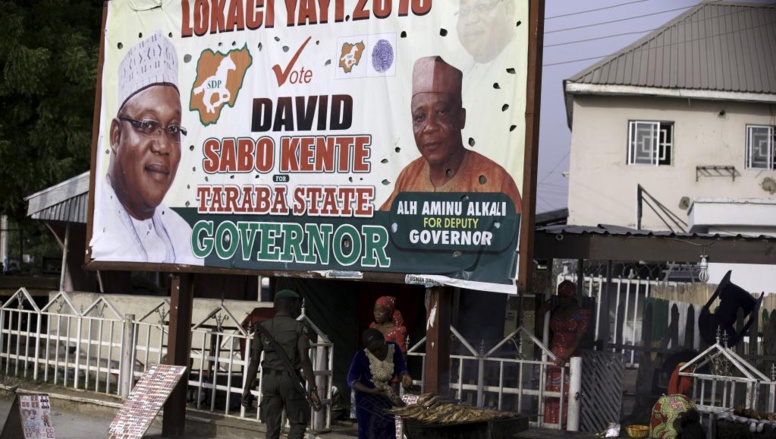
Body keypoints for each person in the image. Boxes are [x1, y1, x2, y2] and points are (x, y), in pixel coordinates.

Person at [90, 31, 201, 265]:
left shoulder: (183, 233)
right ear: (116, 136)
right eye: (148, 125)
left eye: (173, 129)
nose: (163, 145)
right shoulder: (96, 219)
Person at [379, 56, 522, 212]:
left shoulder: (495, 182)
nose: (430, 127)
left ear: (461, 118)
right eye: (420, 117)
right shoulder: (408, 178)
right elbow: (380, 229)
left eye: (441, 112)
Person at [241, 289, 322, 439]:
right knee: (297, 424)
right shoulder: (299, 328)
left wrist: (246, 388)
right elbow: (304, 359)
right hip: (291, 380)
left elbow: (254, 361)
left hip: (269, 380)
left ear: (276, 306)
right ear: (292, 306)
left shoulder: (262, 327)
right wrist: (313, 388)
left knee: (272, 426)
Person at [347, 328, 412, 439]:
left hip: (386, 398)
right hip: (366, 401)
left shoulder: (394, 349)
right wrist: (371, 390)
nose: (377, 352)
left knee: (388, 432)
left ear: (384, 341)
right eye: (373, 351)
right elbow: (351, 380)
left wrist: (405, 376)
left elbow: (401, 368)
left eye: (380, 348)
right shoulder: (361, 355)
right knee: (368, 433)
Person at [541, 280, 590, 427]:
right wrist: (541, 313)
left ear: (572, 296)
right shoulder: (555, 311)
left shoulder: (581, 314)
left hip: (570, 358)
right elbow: (541, 332)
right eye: (559, 296)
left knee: (569, 393)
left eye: (565, 296)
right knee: (551, 393)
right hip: (553, 356)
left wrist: (565, 355)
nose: (561, 299)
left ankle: (567, 425)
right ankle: (551, 424)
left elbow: (579, 338)